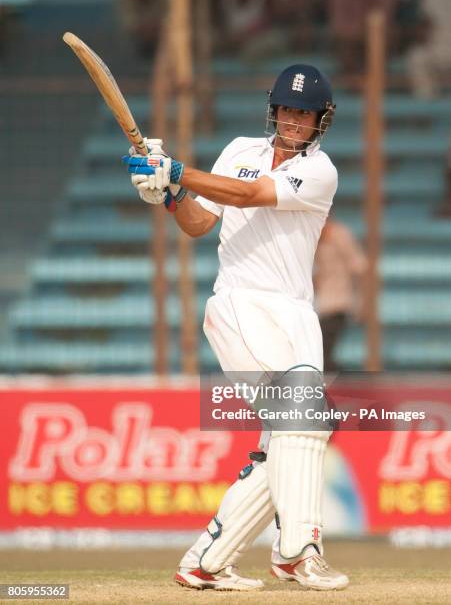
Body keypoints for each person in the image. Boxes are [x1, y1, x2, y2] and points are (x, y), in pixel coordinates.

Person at [123, 64, 349, 592]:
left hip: (297, 314)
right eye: (289, 110)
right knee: (304, 419)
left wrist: (174, 170)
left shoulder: (321, 171)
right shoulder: (239, 150)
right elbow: (202, 223)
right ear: (275, 110)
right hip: (241, 304)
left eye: (306, 113)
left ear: (322, 120)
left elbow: (247, 197)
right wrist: (171, 195)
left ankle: (207, 561)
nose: (295, 121)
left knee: (291, 441)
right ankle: (298, 551)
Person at [314, 219, 368, 371]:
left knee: (322, 355)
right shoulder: (313, 237)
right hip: (320, 305)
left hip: (338, 303)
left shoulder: (341, 236)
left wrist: (363, 304)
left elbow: (360, 268)